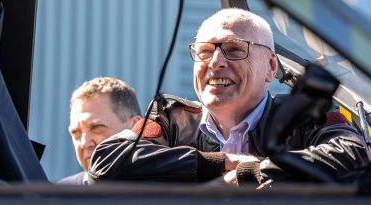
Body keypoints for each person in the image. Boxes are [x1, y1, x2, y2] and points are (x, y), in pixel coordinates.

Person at [86, 9, 369, 186]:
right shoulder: (171, 116)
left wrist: (252, 174)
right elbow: (107, 160)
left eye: (235, 49)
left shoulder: (306, 115)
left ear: (271, 66)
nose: (216, 62)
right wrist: (218, 162)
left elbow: (353, 154)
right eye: (205, 51)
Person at [58, 77, 141, 185]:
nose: (84, 143)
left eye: (97, 128)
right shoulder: (59, 196)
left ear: (136, 127)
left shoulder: (164, 193)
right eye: (76, 132)